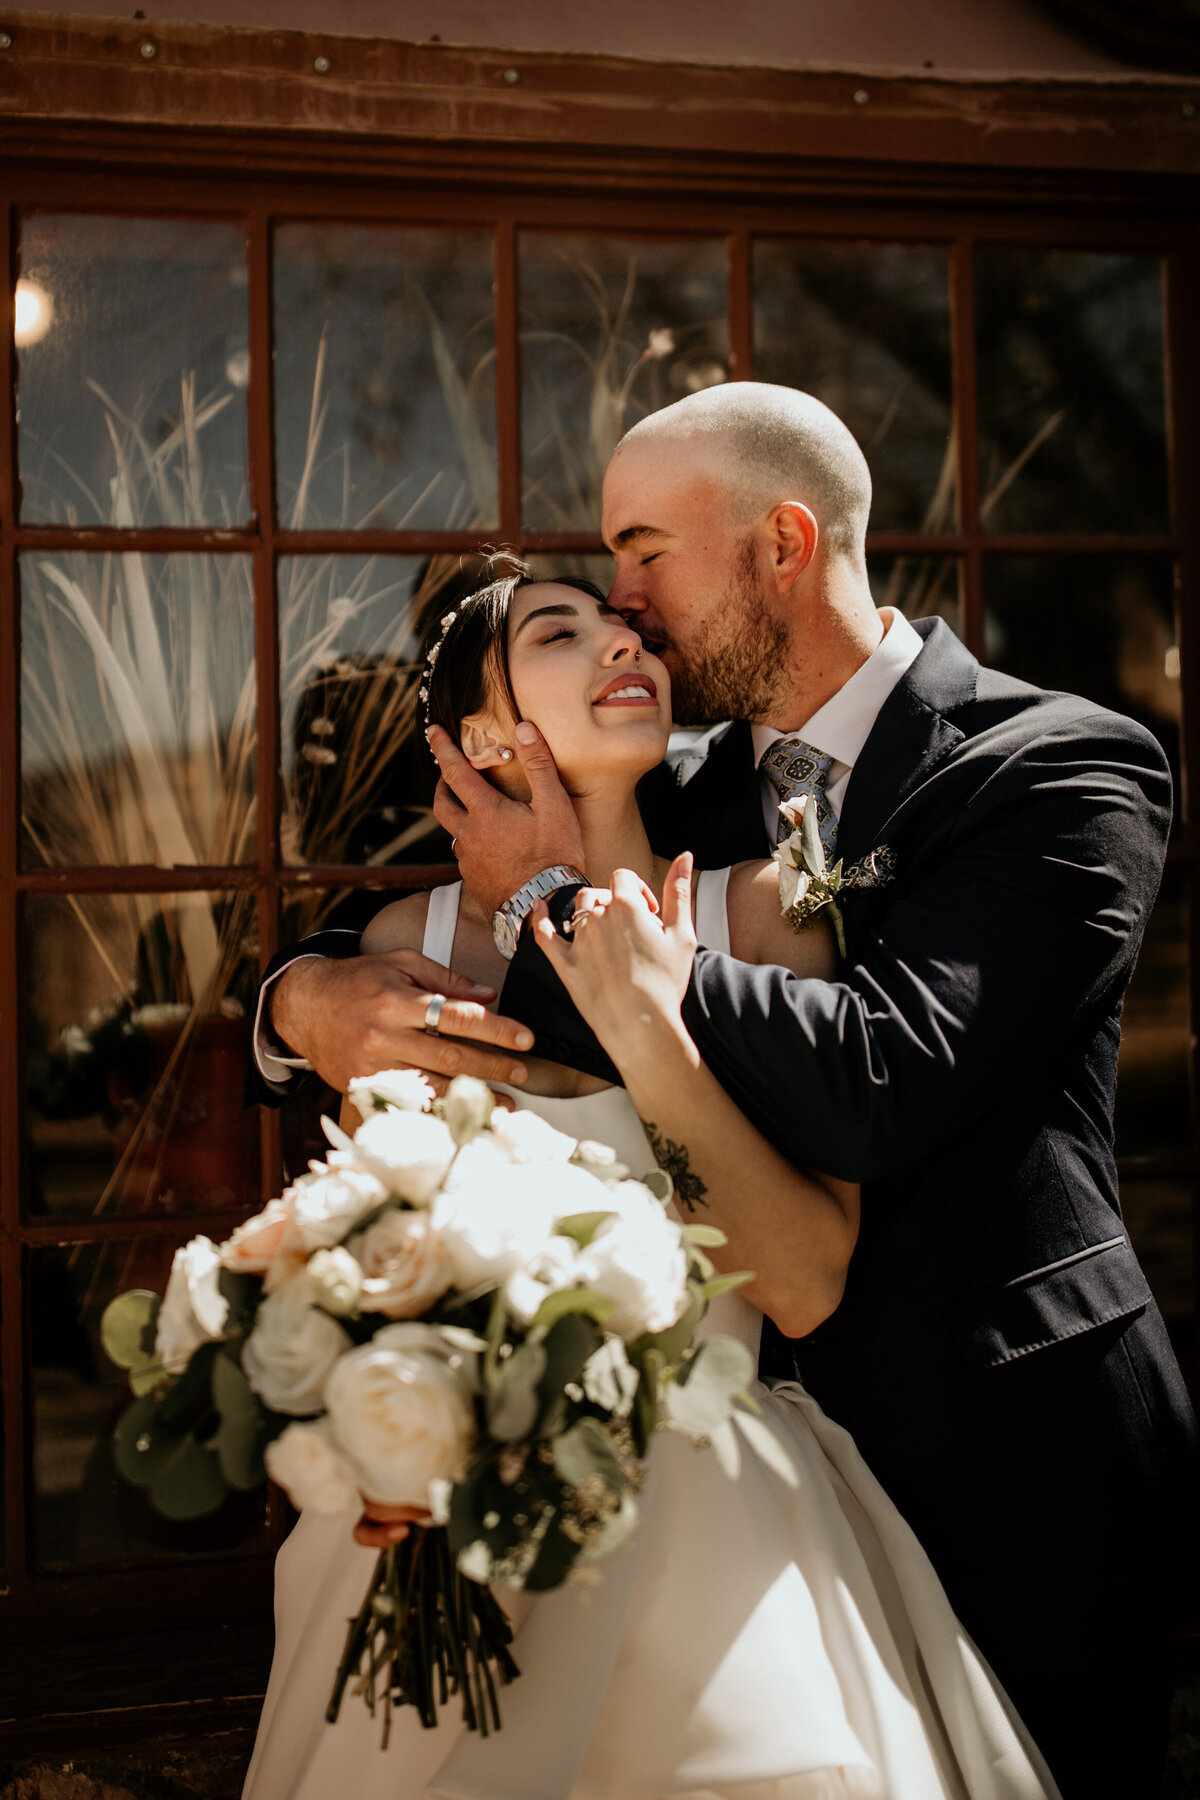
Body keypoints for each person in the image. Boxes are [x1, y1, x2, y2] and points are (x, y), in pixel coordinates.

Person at [248, 386, 1197, 1799]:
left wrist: (580, 926)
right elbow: (455, 919)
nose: (624, 607)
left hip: (1011, 1452)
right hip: (700, 1480)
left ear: (783, 545)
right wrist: (297, 1001)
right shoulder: (673, 787)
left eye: (642, 552)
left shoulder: (1058, 770)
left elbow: (886, 1068)